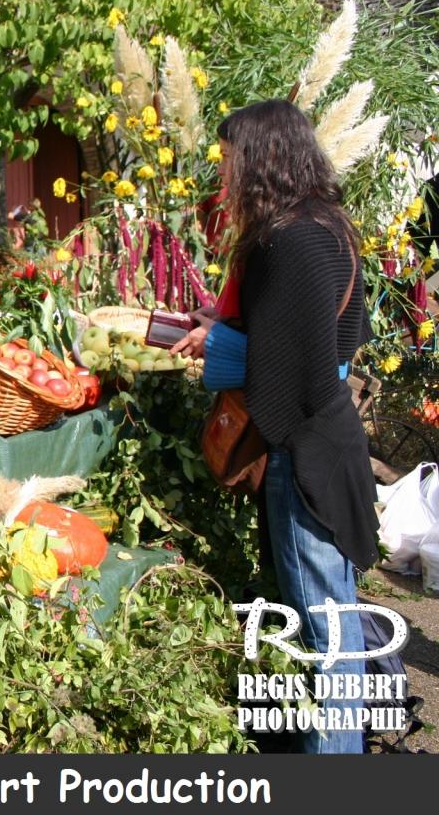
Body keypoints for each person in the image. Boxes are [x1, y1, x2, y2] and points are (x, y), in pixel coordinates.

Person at [171, 100, 377, 754]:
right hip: (333, 442)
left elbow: (293, 370)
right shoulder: (329, 226)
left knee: (326, 633)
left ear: (262, 160)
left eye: (232, 162)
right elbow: (336, 338)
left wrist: (214, 348)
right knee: (335, 620)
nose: (225, 177)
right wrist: (227, 328)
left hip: (306, 453)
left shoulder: (289, 241)